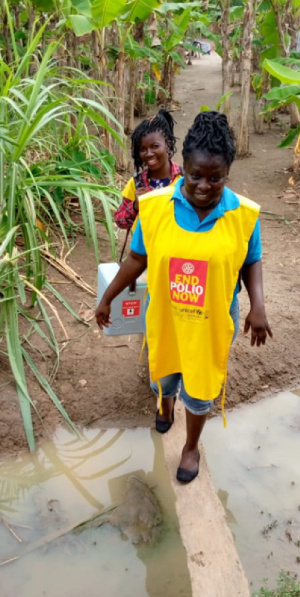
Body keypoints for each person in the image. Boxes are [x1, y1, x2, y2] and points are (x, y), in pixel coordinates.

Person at [96, 111, 272, 484]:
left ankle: (191, 445)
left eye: (216, 178)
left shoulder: (242, 215)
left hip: (210, 323)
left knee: (200, 389)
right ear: (184, 167)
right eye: (196, 176)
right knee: (166, 373)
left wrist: (258, 305)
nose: (205, 186)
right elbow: (137, 258)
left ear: (227, 174)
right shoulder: (156, 207)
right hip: (167, 317)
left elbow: (251, 259)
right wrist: (107, 297)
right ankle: (165, 405)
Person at [114, 109, 182, 231]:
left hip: (176, 247)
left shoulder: (183, 180)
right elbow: (120, 220)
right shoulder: (136, 183)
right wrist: (135, 206)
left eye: (155, 146)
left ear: (168, 145)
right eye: (142, 149)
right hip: (143, 248)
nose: (149, 153)